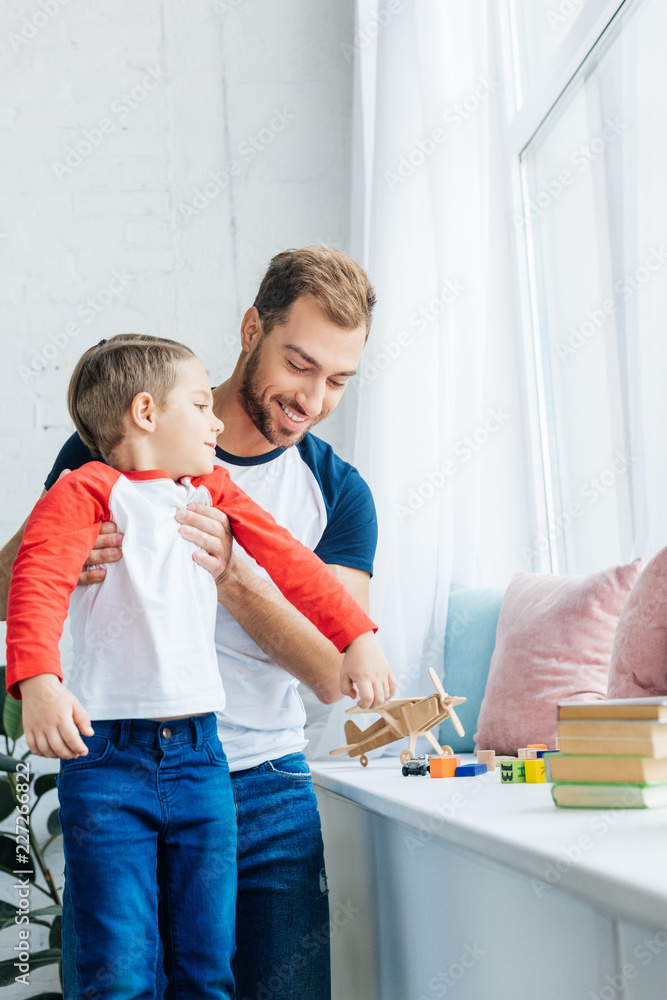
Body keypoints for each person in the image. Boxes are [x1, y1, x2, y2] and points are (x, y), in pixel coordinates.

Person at [0, 247, 392, 1000]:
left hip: (265, 787)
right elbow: (22, 585)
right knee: (120, 982)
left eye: (338, 380)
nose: (312, 398)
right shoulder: (103, 453)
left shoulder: (336, 492)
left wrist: (233, 575)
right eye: (299, 364)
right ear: (252, 329)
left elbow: (329, 674)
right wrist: (56, 552)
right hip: (116, 763)